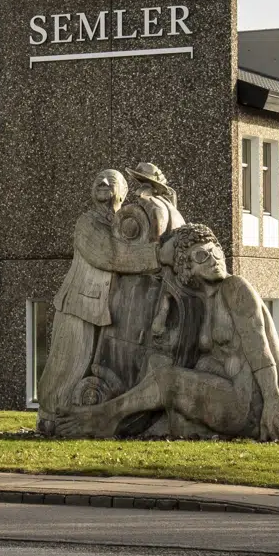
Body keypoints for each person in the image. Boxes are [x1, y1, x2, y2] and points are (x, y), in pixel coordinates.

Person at [55, 223, 279, 441]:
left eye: (215, 252)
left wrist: (273, 401)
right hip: (243, 393)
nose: (214, 260)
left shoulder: (235, 287)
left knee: (168, 380)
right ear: (186, 266)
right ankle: (117, 419)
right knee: (182, 391)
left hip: (269, 398)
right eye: (201, 256)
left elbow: (259, 347)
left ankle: (103, 416)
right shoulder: (205, 302)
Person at [37, 170, 159, 433]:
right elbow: (109, 255)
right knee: (68, 362)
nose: (103, 184)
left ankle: (87, 417)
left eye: (111, 182)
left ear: (123, 192)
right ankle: (51, 417)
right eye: (98, 181)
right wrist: (159, 255)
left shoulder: (123, 221)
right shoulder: (87, 223)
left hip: (107, 310)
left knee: (98, 365)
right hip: (78, 305)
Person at [92, 163, 187, 397]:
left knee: (127, 340)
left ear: (148, 186)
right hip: (159, 283)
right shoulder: (172, 209)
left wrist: (146, 254)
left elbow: (153, 239)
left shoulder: (152, 205)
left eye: (140, 183)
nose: (136, 190)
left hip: (144, 285)